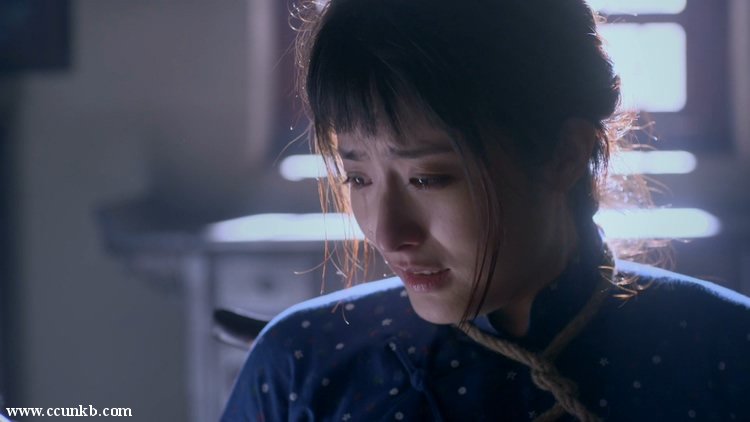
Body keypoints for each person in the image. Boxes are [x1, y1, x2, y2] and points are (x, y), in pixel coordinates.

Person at [222, 0, 750, 420]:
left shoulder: (728, 353)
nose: (387, 233)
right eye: (357, 177)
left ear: (564, 156)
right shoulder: (300, 364)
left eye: (428, 178)